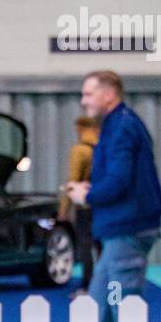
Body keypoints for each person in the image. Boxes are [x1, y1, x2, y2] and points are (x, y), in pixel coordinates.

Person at [67, 70, 161, 322]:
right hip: (122, 230)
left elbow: (118, 182)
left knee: (124, 306)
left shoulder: (121, 127)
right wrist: (93, 188)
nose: (83, 101)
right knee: (101, 305)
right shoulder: (117, 124)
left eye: (88, 94)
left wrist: (86, 196)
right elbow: (120, 177)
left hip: (127, 230)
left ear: (108, 95)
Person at [59, 114, 98, 287]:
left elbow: (73, 181)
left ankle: (88, 284)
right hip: (104, 204)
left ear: (81, 128)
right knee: (102, 245)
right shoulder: (104, 148)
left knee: (85, 244)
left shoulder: (80, 150)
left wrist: (64, 209)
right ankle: (108, 285)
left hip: (85, 205)